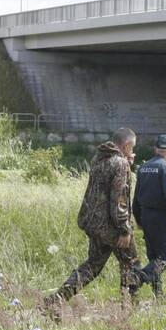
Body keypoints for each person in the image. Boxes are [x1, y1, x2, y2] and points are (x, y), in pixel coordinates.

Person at [42, 127, 143, 318]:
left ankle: (56, 300)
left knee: (92, 265)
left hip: (94, 223)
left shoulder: (100, 159)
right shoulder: (120, 164)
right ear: (127, 145)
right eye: (132, 147)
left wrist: (126, 163)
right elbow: (119, 200)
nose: (132, 151)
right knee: (131, 262)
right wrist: (125, 229)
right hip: (112, 226)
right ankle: (130, 310)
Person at [133, 134, 166, 298]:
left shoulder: (143, 168)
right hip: (160, 218)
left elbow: (135, 198)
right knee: (164, 257)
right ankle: (138, 277)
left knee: (153, 256)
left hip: (145, 216)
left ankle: (159, 294)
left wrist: (138, 219)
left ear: (155, 149)